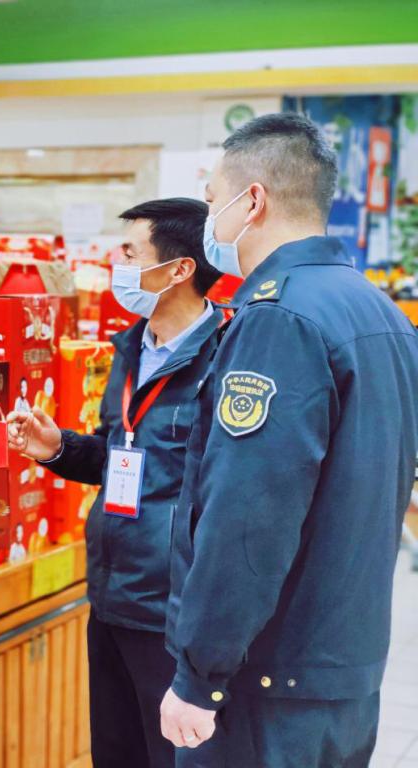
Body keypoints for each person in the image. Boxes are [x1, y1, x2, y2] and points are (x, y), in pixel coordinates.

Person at [160, 113, 418, 768]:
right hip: (343, 668)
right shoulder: (379, 312)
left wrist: (199, 676)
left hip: (267, 680)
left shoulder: (278, 319)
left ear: (253, 201)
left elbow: (248, 517)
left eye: (213, 200)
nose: (209, 218)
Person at [7, 198, 223, 768]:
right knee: (115, 751)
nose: (117, 266)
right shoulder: (130, 349)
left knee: (171, 757)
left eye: (130, 253)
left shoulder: (225, 358)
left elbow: (230, 490)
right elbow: (123, 455)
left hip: (173, 611)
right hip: (110, 596)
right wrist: (58, 448)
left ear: (179, 269)